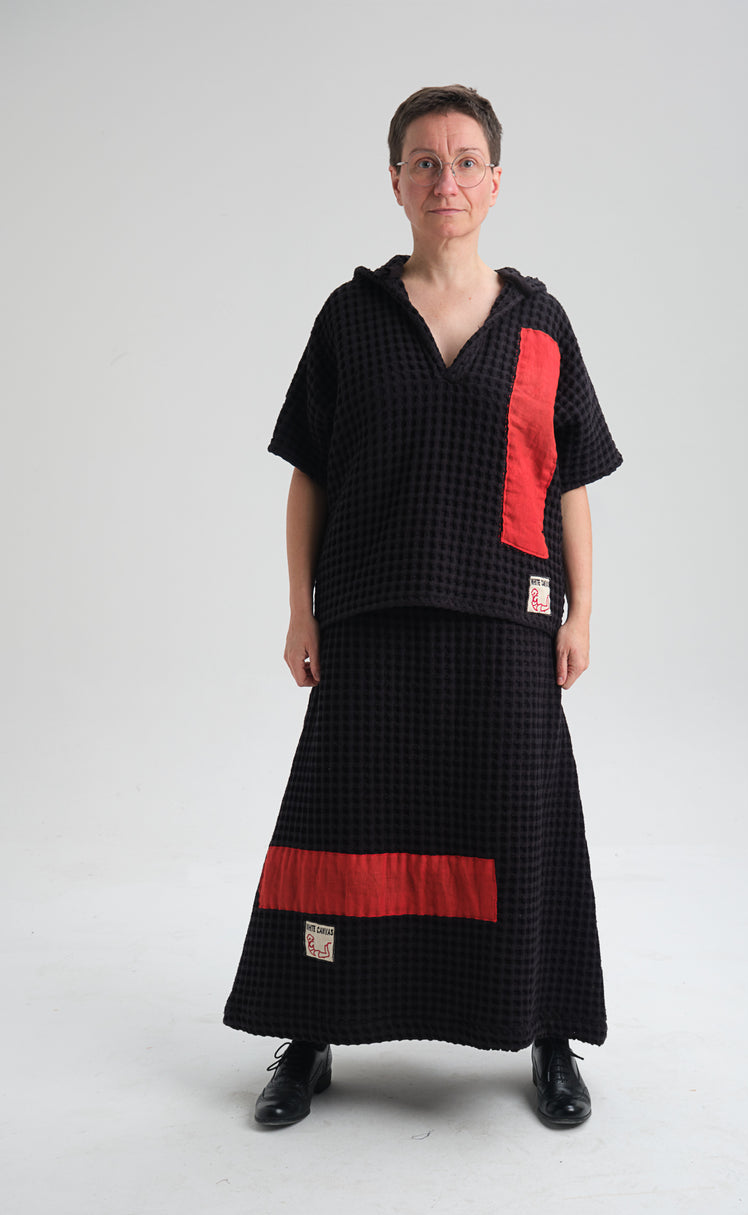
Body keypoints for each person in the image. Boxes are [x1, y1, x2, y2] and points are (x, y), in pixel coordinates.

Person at [224, 84, 622, 1129]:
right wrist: (300, 610)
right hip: (369, 610)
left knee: (521, 821)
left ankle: (549, 1033)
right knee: (340, 819)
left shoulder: (541, 323)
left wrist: (581, 613)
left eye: (465, 160)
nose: (447, 179)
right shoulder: (350, 318)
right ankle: (308, 1032)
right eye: (425, 162)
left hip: (507, 617)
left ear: (495, 181)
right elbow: (308, 474)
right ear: (396, 182)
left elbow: (570, 482)